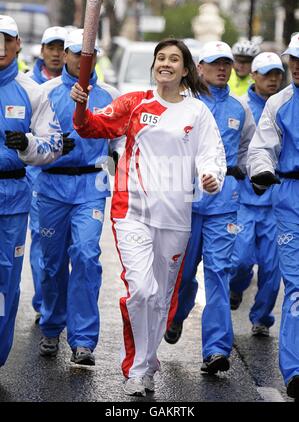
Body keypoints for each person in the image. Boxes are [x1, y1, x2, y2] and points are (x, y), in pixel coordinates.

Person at [71, 38, 227, 396]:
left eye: (174, 59)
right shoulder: (135, 103)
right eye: (161, 58)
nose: (166, 63)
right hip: (133, 211)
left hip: (175, 216)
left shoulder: (197, 112)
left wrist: (211, 178)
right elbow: (90, 127)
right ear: (154, 66)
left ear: (186, 69)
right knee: (141, 290)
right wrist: (80, 108)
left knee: (160, 298)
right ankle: (138, 369)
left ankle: (147, 360)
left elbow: (211, 156)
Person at [164, 41, 255, 375]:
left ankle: (216, 349)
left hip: (223, 206)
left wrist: (250, 171)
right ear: (199, 67)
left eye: (226, 64)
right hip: (185, 206)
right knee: (184, 275)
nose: (222, 69)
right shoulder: (185, 105)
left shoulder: (239, 109)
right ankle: (175, 316)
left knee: (219, 274)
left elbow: (248, 148)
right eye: (214, 63)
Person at [37, 28, 123, 366]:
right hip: (52, 187)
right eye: (75, 53)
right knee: (53, 262)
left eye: (87, 54)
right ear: (68, 56)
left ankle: (83, 340)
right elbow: (34, 138)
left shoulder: (110, 95)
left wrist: (114, 158)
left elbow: (120, 139)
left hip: (91, 187)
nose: (81, 60)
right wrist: (50, 148)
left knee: (87, 255)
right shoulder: (43, 93)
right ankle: (51, 325)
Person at [0, 14, 62, 367]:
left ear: (18, 44)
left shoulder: (31, 92)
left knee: (4, 282)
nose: (1, 46)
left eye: (6, 39)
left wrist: (26, 144)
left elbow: (52, 144)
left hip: (11, 198)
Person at [247, 33, 299, 401]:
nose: (295, 65)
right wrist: (263, 169)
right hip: (291, 197)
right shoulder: (279, 102)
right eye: (292, 59)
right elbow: (262, 146)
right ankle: (295, 371)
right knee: (297, 286)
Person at [229, 52, 284, 337]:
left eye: (277, 74)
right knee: (240, 260)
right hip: (245, 200)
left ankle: (262, 317)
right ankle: (236, 288)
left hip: (276, 201)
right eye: (266, 74)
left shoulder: (286, 105)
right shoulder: (240, 107)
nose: (272, 79)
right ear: (254, 75)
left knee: (273, 269)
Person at [27, 26, 67, 324]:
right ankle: (44, 301)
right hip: (30, 173)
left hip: (65, 176)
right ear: (42, 51)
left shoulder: (77, 84)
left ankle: (51, 299)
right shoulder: (28, 84)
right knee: (40, 239)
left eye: (60, 48)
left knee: (59, 246)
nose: (55, 53)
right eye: (51, 47)